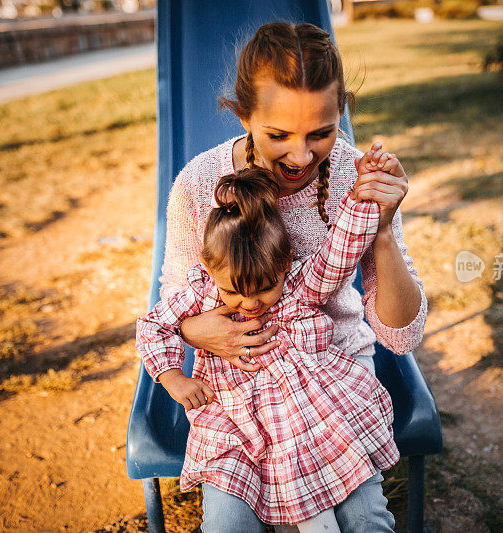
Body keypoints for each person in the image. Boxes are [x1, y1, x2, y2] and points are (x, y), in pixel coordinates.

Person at [158, 21, 427, 532]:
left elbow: (400, 334)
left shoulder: (357, 178)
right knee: (227, 525)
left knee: (364, 522)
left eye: (321, 133)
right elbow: (174, 307)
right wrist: (199, 331)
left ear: (341, 113)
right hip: (239, 396)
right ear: (244, 116)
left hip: (331, 385)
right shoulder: (197, 184)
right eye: (278, 135)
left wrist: (386, 231)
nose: (301, 157)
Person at [137, 167, 401, 531]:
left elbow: (339, 252)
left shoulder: (298, 284)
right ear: (209, 269)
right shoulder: (201, 292)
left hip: (310, 416)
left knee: (364, 520)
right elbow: (152, 326)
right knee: (227, 525)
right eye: (233, 291)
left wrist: (362, 202)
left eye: (264, 288)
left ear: (285, 261)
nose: (249, 303)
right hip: (234, 423)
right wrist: (172, 378)